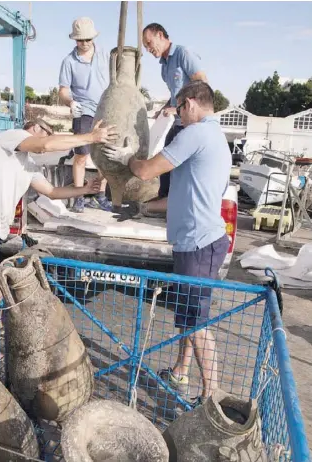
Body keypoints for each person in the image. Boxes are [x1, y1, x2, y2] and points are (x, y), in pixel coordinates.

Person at [102, 81, 231, 404]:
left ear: (189, 103)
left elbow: (146, 172)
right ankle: (180, 370)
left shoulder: (196, 133)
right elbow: (187, 192)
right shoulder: (216, 137)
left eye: (179, 110)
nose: (178, 118)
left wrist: (129, 158)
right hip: (204, 241)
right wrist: (147, 207)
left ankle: (211, 396)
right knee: (189, 316)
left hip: (197, 244)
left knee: (197, 322)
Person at [0, 118, 117, 345]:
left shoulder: (28, 164)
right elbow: (45, 145)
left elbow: (51, 191)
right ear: (34, 128)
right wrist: (90, 138)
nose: (48, 137)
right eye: (47, 132)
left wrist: (84, 189)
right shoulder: (11, 138)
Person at [142, 23, 207, 214]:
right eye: (145, 46)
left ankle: (180, 205)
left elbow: (202, 85)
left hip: (192, 122)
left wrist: (179, 108)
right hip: (178, 121)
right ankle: (164, 199)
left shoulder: (183, 54)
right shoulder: (164, 67)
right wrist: (164, 109)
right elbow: (174, 95)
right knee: (166, 155)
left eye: (149, 43)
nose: (148, 49)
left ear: (160, 35)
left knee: (184, 167)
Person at [59, 17, 111, 213]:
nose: (85, 43)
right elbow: (63, 89)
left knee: (105, 157)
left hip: (106, 110)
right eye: (81, 40)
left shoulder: (106, 55)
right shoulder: (68, 61)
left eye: (88, 39)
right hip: (84, 112)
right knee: (81, 156)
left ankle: (100, 196)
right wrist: (70, 102)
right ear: (75, 40)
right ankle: (79, 196)